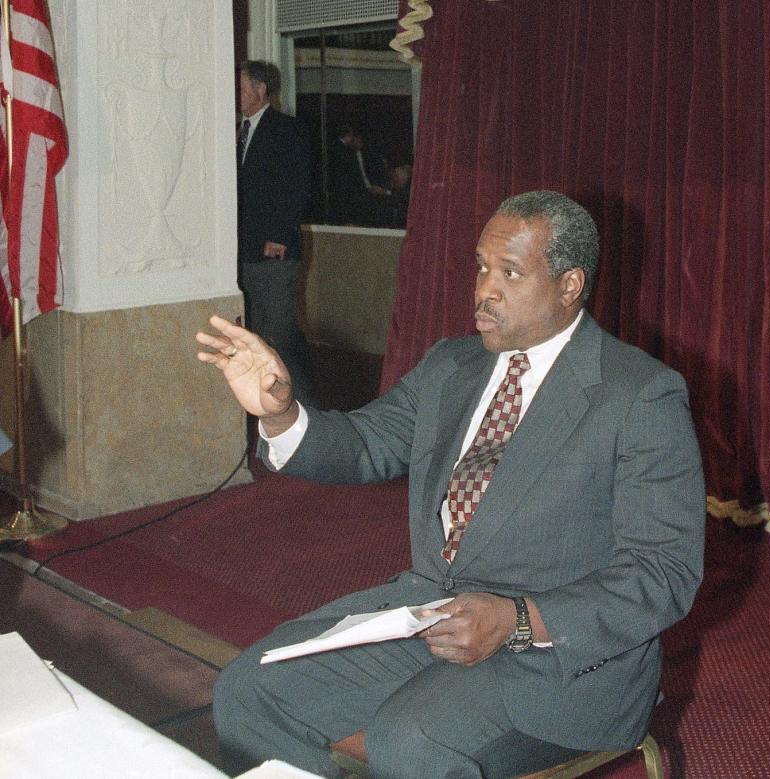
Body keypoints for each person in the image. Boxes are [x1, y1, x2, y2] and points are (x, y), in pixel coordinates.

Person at [199, 189, 704, 779]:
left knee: (410, 743)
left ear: (570, 284)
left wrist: (517, 619)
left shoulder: (638, 394)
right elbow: (366, 445)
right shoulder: (451, 366)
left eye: (510, 273)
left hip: (557, 659)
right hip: (428, 616)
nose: (484, 290)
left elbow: (663, 574)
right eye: (482, 267)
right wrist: (282, 412)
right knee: (247, 694)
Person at [236, 60, 315, 401]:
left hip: (274, 251)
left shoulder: (287, 129)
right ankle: (266, 403)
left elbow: (297, 185)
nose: (235, 95)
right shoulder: (235, 132)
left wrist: (280, 236)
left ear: (259, 89)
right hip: (244, 250)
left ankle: (309, 406)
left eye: (240, 88)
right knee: (253, 334)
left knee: (280, 333)